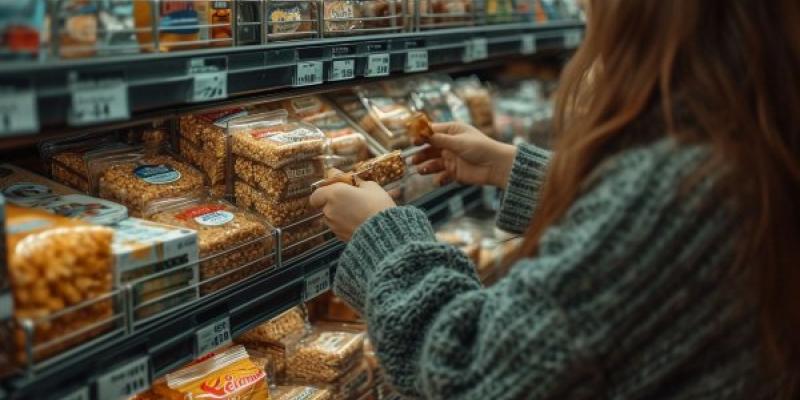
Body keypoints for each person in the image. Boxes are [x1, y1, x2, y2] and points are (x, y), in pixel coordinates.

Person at [309, 0, 800, 398]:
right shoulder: (755, 140)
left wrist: (384, 240)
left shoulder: (684, 187)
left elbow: (471, 370)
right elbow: (636, 253)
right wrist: (517, 171)